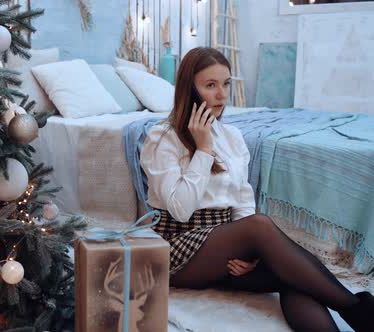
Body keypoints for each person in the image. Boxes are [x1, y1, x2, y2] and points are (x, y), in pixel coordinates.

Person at [139, 47, 373, 332]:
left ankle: (354, 314)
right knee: (261, 227)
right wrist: (202, 150)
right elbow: (180, 208)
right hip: (177, 246)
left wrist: (249, 254)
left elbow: (242, 200)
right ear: (189, 89)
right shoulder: (162, 137)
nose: (222, 95)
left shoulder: (232, 136)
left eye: (226, 84)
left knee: (295, 276)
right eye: (210, 85)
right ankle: (358, 310)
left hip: (225, 244)